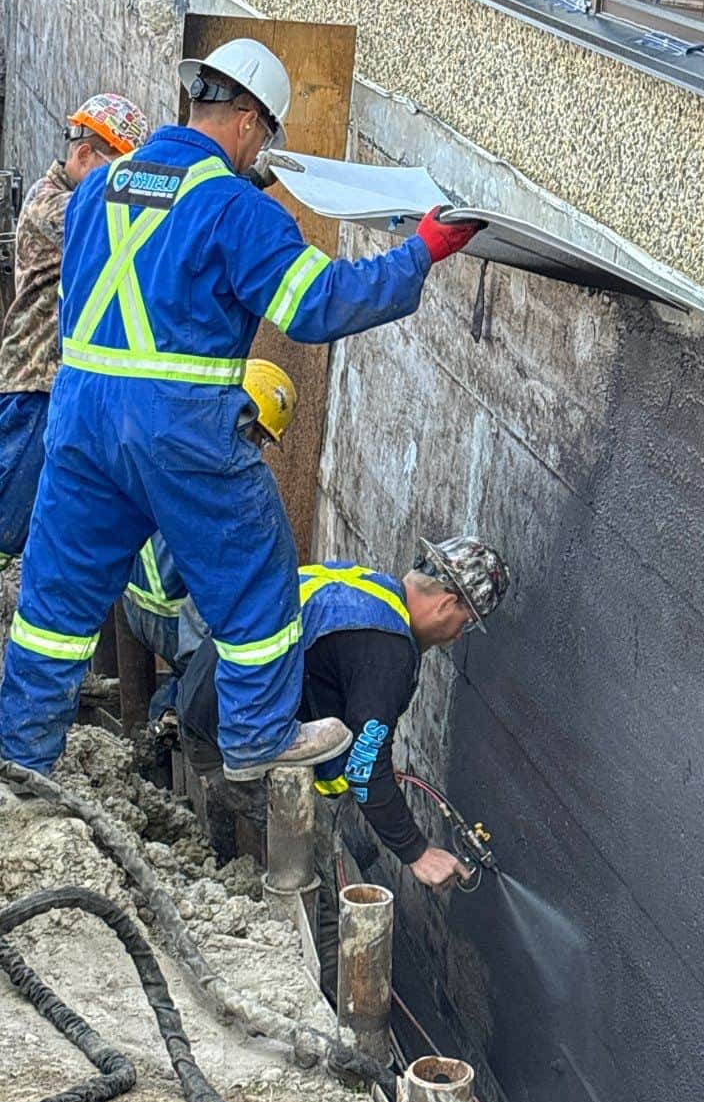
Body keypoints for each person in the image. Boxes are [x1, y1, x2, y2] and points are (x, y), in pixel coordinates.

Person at [0, 38, 482, 780]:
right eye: (266, 135)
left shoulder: (103, 185)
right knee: (258, 571)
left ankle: (21, 759)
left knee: (55, 601)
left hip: (80, 416)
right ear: (251, 121)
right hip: (179, 425)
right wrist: (420, 251)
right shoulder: (233, 209)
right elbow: (319, 305)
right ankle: (257, 735)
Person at [176, 536, 510, 994]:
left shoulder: (365, 590)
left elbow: (341, 703)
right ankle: (328, 1021)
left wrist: (369, 768)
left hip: (208, 707)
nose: (456, 636)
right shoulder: (389, 650)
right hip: (229, 747)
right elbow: (364, 768)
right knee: (328, 900)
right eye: (464, 623)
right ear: (447, 602)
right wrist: (417, 852)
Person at [0, 94, 149, 570]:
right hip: (33, 384)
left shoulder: (73, 200)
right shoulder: (55, 208)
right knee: (8, 524)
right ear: (86, 154)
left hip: (54, 387)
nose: (125, 188)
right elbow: (133, 221)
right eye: (120, 174)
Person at [122, 357, 298, 718]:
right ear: (243, 418)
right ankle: (183, 713)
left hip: (131, 602)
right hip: (174, 619)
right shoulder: (230, 483)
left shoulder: (175, 437)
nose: (258, 447)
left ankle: (166, 715)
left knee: (192, 671)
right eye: (258, 435)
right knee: (215, 670)